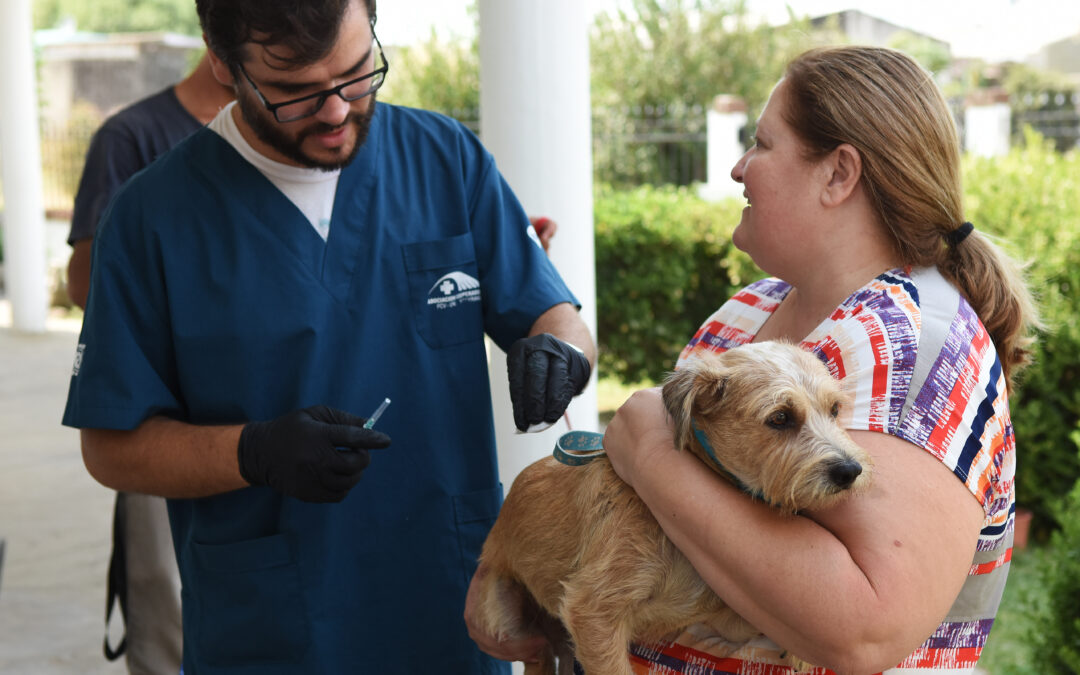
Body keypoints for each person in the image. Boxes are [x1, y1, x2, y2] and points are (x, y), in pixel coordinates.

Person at [62, 0, 595, 672]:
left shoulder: (444, 160)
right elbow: (111, 448)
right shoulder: (150, 220)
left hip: (451, 609)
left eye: (356, 73)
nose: (338, 111)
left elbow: (556, 314)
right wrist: (252, 452)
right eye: (295, 93)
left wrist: (562, 350)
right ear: (222, 62)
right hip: (274, 629)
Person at [469, 46, 1038, 674]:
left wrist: (650, 454)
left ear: (837, 174)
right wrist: (513, 560)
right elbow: (644, 531)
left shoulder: (918, 344)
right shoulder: (748, 311)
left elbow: (862, 631)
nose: (740, 167)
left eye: (762, 144)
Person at [65, 53, 233, 675]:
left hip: (269, 417)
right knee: (167, 610)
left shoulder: (295, 127)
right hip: (164, 418)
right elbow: (84, 283)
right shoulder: (132, 137)